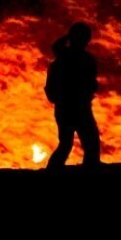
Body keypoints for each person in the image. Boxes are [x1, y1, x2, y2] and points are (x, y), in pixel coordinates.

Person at [45, 22, 101, 171]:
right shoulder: (83, 59)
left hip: (65, 108)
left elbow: (56, 47)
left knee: (66, 144)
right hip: (78, 108)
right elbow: (91, 83)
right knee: (90, 143)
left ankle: (52, 170)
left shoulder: (63, 57)